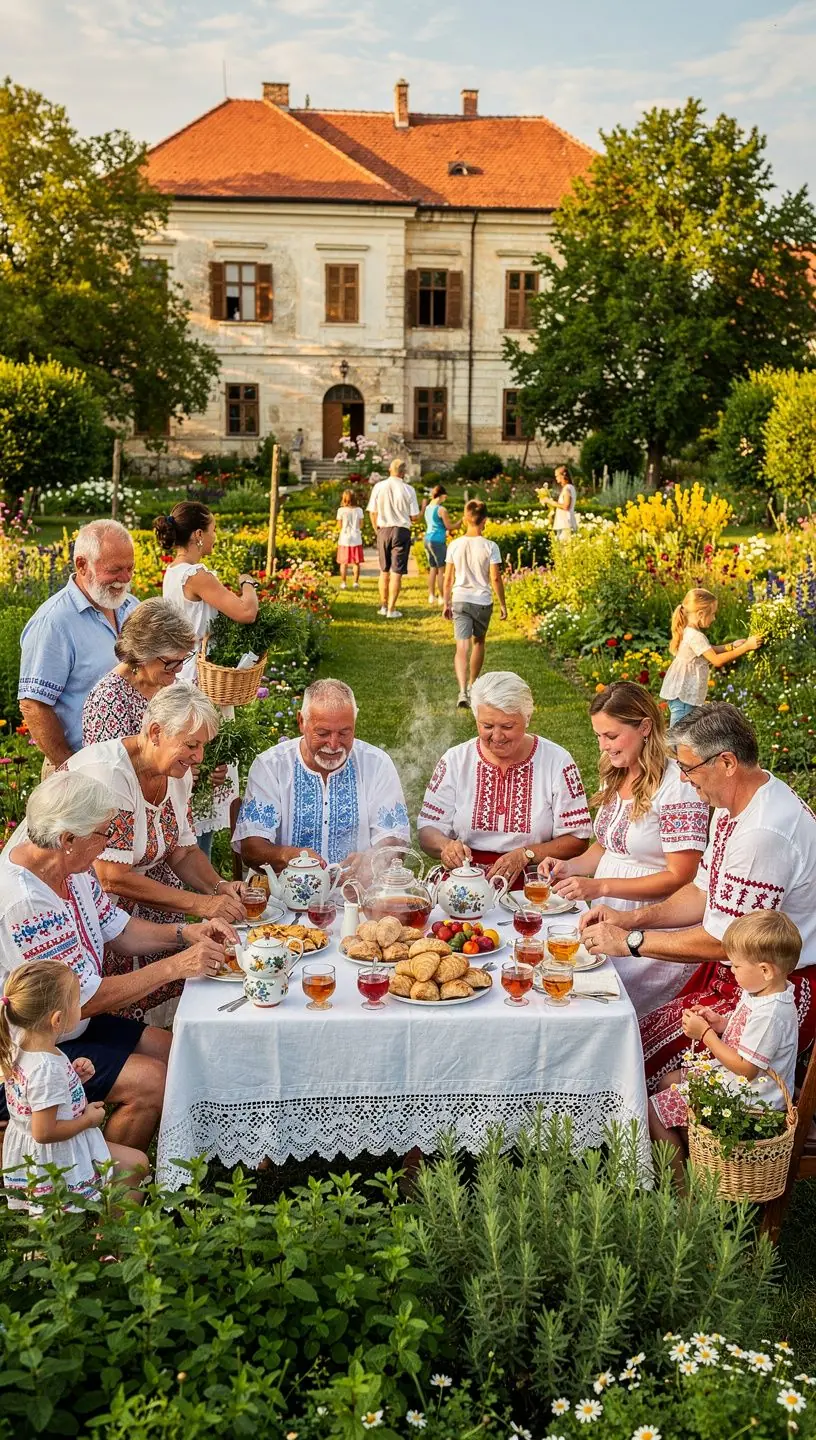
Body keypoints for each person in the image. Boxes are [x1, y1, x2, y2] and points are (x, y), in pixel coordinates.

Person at [0, 771, 235, 1153]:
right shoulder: (24, 901)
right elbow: (79, 1000)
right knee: (151, 1079)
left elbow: (117, 928)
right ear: (67, 840)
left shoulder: (69, 868)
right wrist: (175, 967)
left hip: (69, 1027)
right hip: (26, 1048)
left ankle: (211, 1151)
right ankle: (103, 1192)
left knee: (174, 1048)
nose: (108, 845)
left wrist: (184, 934)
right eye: (103, 834)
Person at [579, 703, 816, 1077]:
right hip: (737, 976)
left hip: (771, 990)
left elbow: (727, 943)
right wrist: (629, 917)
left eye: (689, 768)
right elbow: (700, 891)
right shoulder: (736, 800)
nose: (685, 779)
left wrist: (632, 941)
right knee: (626, 1041)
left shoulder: (762, 834)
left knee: (630, 1064)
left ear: (726, 762)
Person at [65, 685, 249, 1025]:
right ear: (154, 732)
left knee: (149, 1022)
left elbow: (183, 851)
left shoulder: (175, 774)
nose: (199, 757)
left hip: (122, 918)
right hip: (80, 907)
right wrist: (201, 905)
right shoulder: (109, 775)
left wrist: (219, 886)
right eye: (191, 745)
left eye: (203, 747)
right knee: (95, 1020)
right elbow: (110, 876)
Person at [544, 683, 709, 1013]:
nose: (604, 746)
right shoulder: (616, 772)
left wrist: (600, 885)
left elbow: (682, 875)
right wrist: (573, 866)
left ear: (645, 727)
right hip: (609, 912)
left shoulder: (678, 786)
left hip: (655, 923)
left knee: (613, 1008)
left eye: (611, 736)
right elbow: (608, 845)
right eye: (599, 737)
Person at [649, 911, 800, 1183]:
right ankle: (697, 1154)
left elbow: (746, 1069)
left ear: (765, 970)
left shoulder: (771, 1013)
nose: (731, 970)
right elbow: (747, 1031)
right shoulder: (762, 992)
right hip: (734, 1084)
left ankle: (684, 1194)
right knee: (667, 1081)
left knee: (654, 1111)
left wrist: (706, 1035)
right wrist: (720, 1023)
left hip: (751, 1099)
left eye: (736, 966)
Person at [418, 671, 591, 889]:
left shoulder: (557, 761)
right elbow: (428, 829)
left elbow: (578, 838)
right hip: (465, 882)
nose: (497, 737)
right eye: (487, 726)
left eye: (508, 726)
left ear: (527, 718)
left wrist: (526, 854)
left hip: (534, 883)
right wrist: (445, 847)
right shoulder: (455, 760)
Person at [82, 601, 231, 853]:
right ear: (142, 653)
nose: (180, 669)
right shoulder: (108, 699)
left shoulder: (171, 685)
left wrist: (204, 771)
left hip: (166, 833)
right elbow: (110, 782)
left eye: (184, 659)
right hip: (127, 842)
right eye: (171, 662)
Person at [1, 961, 148, 1212]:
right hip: (54, 1155)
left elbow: (35, 1097)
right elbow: (44, 1131)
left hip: (34, 1152)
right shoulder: (45, 1066)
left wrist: (73, 1082)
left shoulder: (22, 1048)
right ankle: (112, 1246)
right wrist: (89, 1120)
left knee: (47, 1220)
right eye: (77, 1002)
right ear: (57, 1019)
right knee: (135, 1165)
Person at [158, 502, 259, 856]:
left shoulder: (172, 573)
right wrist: (248, 584)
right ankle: (197, 863)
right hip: (203, 684)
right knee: (208, 770)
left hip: (184, 676)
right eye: (213, 529)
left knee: (196, 772)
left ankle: (191, 856)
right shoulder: (197, 574)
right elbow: (245, 612)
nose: (215, 536)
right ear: (198, 535)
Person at [234, 678, 409, 878]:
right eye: (323, 733)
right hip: (284, 901)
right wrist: (288, 856)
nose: (334, 745)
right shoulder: (272, 766)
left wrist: (373, 860)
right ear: (301, 722)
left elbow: (395, 839)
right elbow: (251, 848)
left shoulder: (376, 764)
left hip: (358, 895)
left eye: (344, 732)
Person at [18, 520, 139, 769]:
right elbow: (34, 705)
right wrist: (71, 770)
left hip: (132, 766)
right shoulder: (54, 621)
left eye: (130, 568)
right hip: (81, 768)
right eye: (115, 569)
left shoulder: (131, 607)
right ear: (82, 565)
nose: (125, 579)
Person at [659, 587, 763, 726]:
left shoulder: (691, 631)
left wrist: (731, 646)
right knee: (679, 738)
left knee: (685, 737)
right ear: (701, 613)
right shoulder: (695, 636)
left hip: (684, 696)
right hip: (683, 697)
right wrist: (746, 647)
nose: (714, 618)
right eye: (713, 614)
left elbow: (709, 649)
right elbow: (717, 660)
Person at [443, 500, 506, 709]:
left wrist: (446, 602)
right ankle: (472, 686)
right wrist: (503, 605)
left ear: (465, 519)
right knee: (479, 642)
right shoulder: (490, 546)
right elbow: (495, 578)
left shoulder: (455, 545)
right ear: (485, 520)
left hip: (459, 599)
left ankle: (461, 691)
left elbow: (448, 577)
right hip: (482, 602)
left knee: (461, 646)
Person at [367, 458, 419, 619]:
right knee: (396, 572)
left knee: (384, 571)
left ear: (390, 469)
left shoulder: (379, 486)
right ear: (403, 473)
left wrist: (377, 529)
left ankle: (383, 606)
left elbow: (372, 511)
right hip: (401, 530)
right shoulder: (408, 489)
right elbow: (415, 516)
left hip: (383, 530)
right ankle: (391, 609)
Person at [422, 484, 453, 605]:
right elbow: (449, 526)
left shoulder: (428, 508)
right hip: (438, 541)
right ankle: (441, 597)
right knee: (441, 570)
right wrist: (461, 522)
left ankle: (431, 596)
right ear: (442, 496)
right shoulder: (441, 509)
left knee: (432, 569)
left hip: (427, 539)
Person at [336, 489, 364, 590]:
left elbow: (339, 525)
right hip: (356, 538)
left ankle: (343, 583)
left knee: (343, 563)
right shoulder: (359, 510)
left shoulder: (341, 510)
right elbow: (361, 525)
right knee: (356, 562)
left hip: (344, 539)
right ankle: (355, 582)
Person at [540, 465, 577, 541]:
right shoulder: (569, 488)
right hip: (563, 524)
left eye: (557, 476)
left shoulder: (567, 488)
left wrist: (549, 501)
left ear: (563, 475)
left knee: (565, 549)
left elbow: (566, 506)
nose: (556, 478)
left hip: (566, 524)